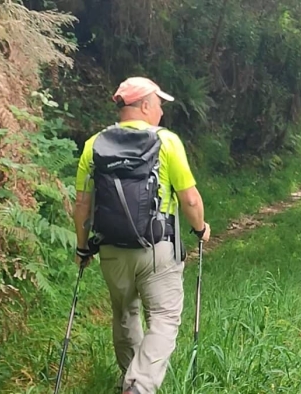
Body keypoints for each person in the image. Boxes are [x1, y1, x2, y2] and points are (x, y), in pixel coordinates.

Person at [72, 76, 211, 394]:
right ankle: (140, 385)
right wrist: (200, 229)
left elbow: (82, 204)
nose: (161, 111)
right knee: (164, 316)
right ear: (145, 105)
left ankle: (130, 379)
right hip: (157, 248)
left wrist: (82, 249)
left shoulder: (94, 145)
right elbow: (190, 199)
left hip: (111, 250)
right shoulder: (167, 141)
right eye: (159, 104)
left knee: (125, 313)